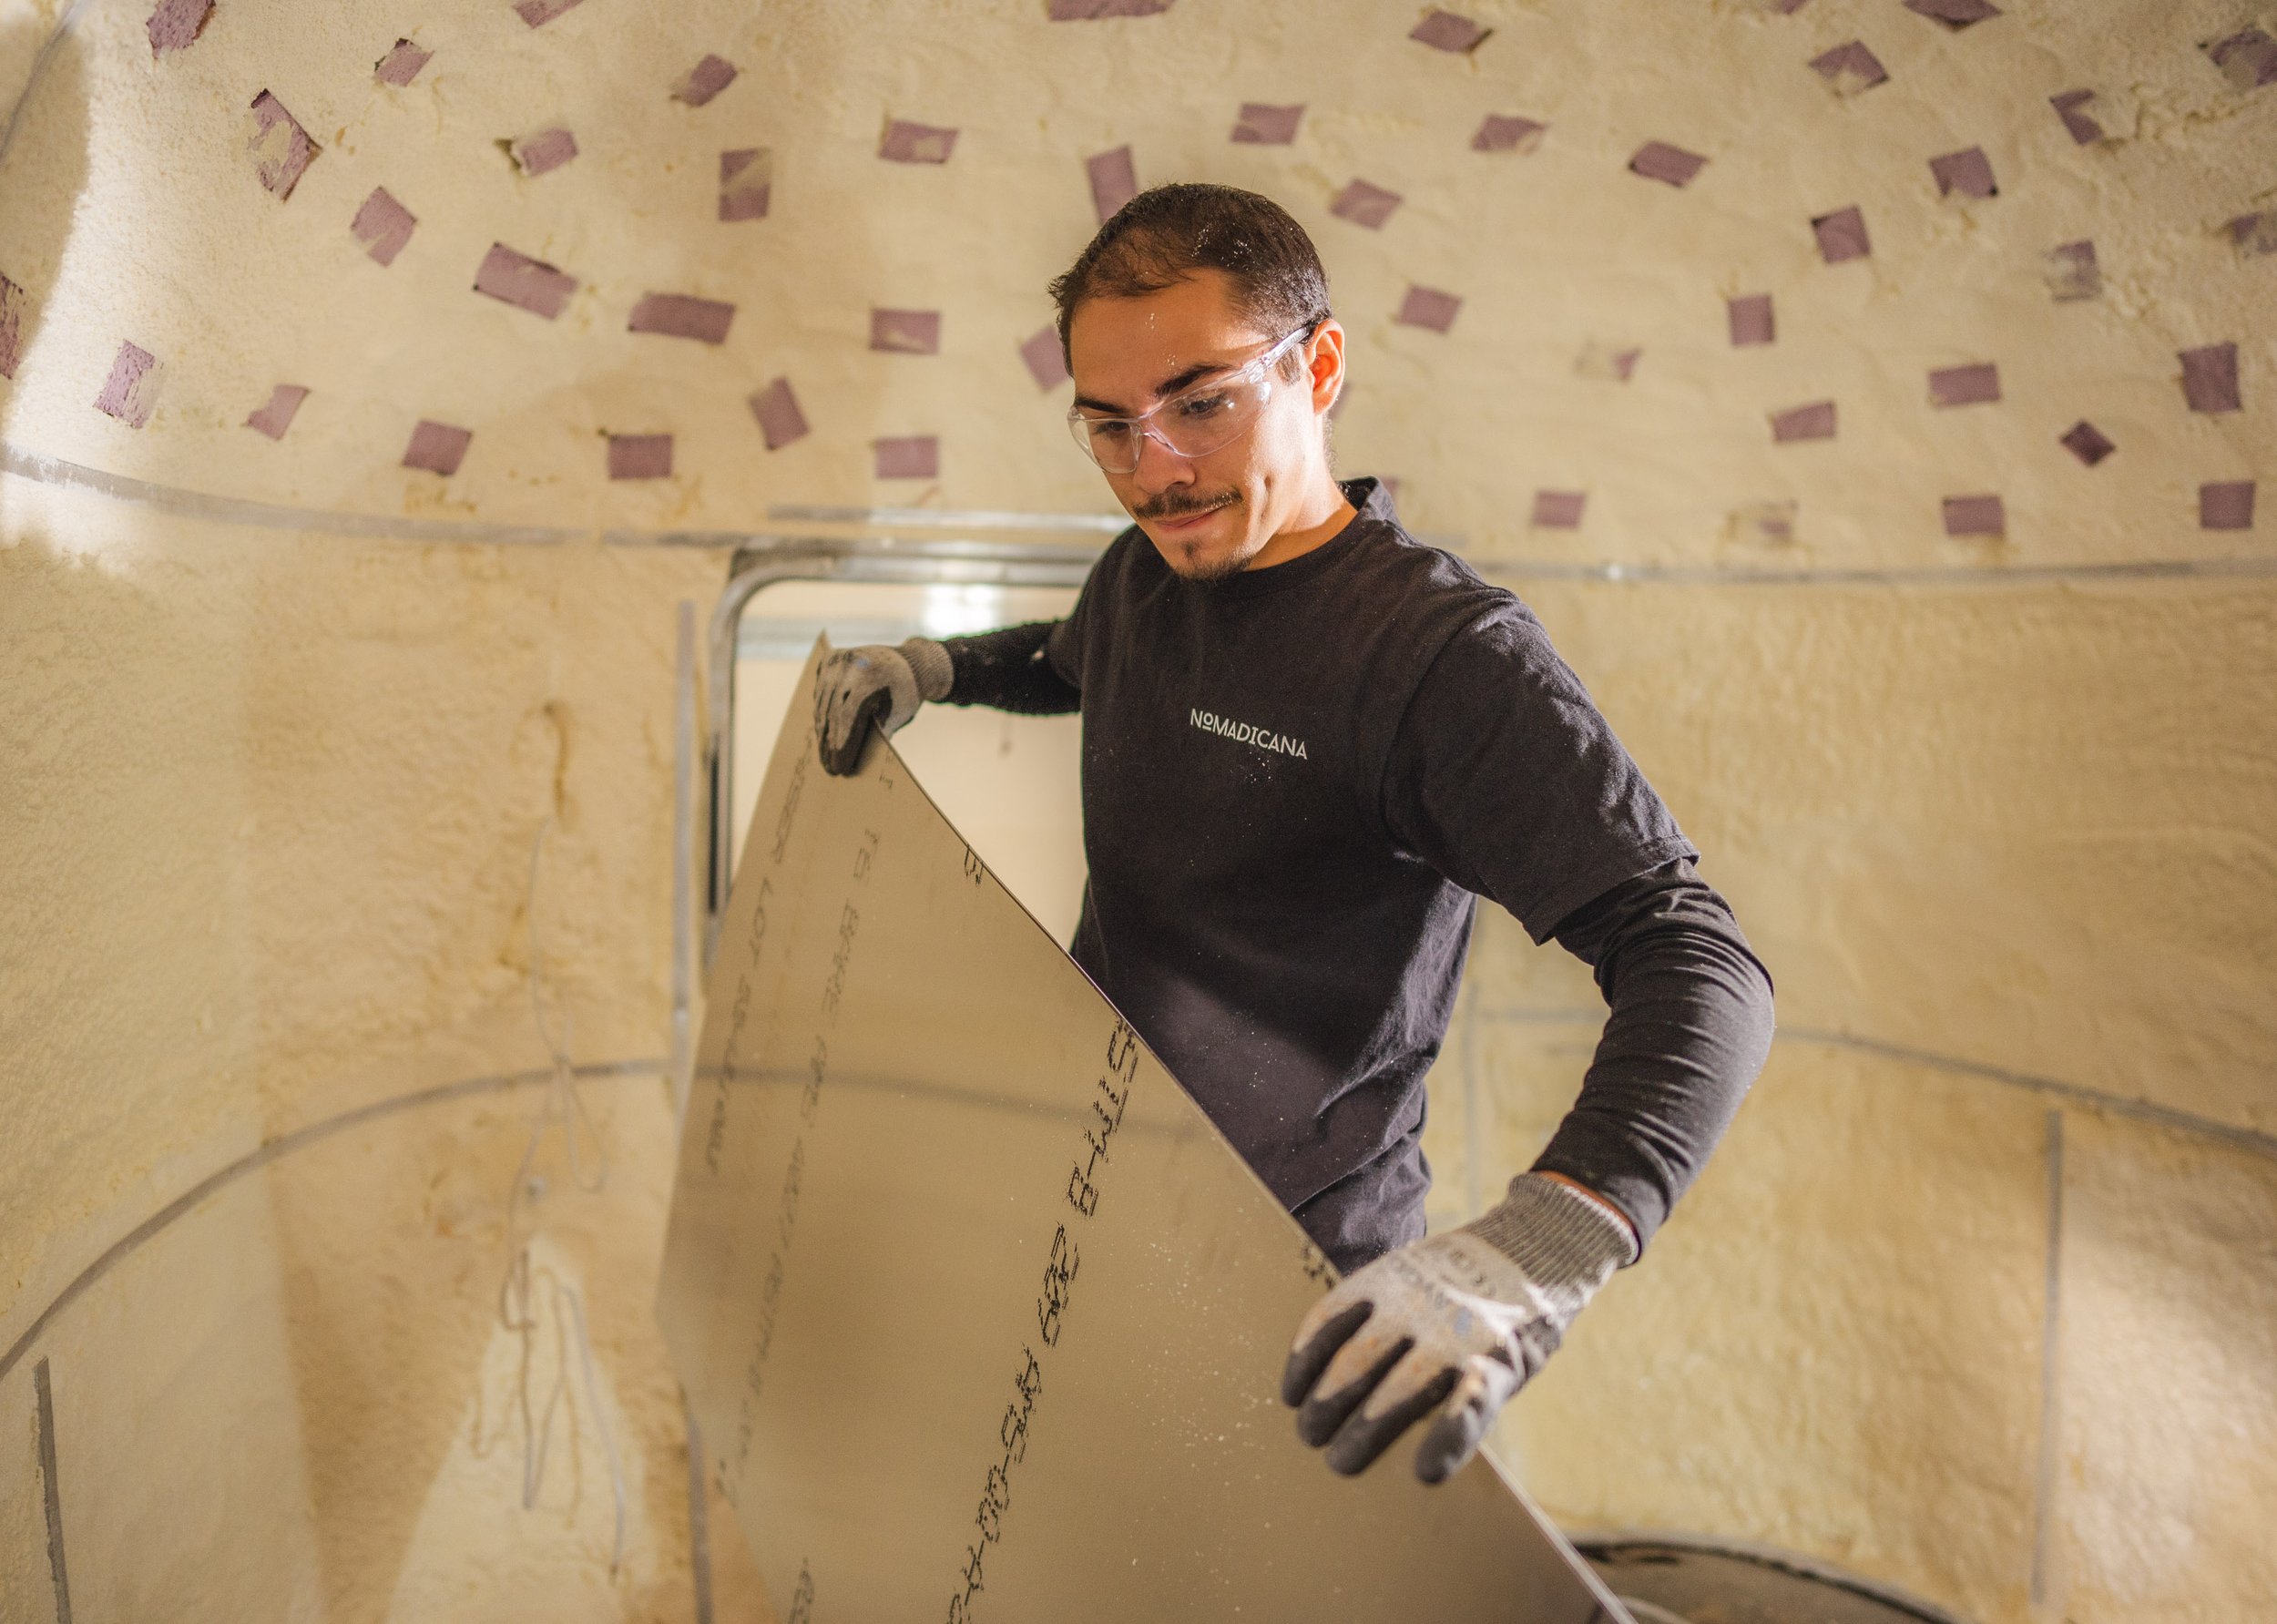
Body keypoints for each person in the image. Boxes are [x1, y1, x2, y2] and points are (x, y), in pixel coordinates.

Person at [813, 183, 1773, 1486]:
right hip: (1093, 1215)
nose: (1153, 467)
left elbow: (1698, 966)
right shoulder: (1145, 571)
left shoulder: (1440, 659)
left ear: (1319, 366)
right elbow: (1075, 662)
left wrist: (1541, 1251)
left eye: (1201, 402)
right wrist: (933, 666)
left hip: (1299, 1293)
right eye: (1109, 424)